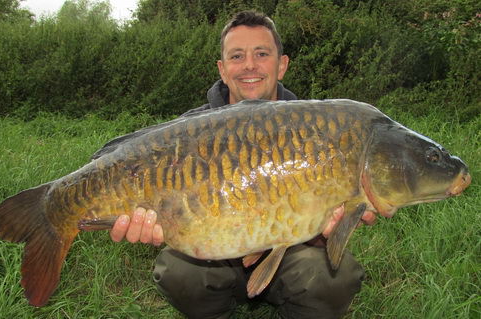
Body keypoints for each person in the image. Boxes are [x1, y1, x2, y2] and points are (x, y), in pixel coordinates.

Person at [110, 10, 376, 319]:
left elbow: (316, 225)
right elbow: (174, 217)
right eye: (237, 56)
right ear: (222, 70)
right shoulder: (187, 136)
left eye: (261, 54)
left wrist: (329, 227)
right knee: (177, 271)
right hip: (215, 259)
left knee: (335, 276)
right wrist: (150, 225)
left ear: (282, 65)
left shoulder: (316, 132)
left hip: (290, 260)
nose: (249, 65)